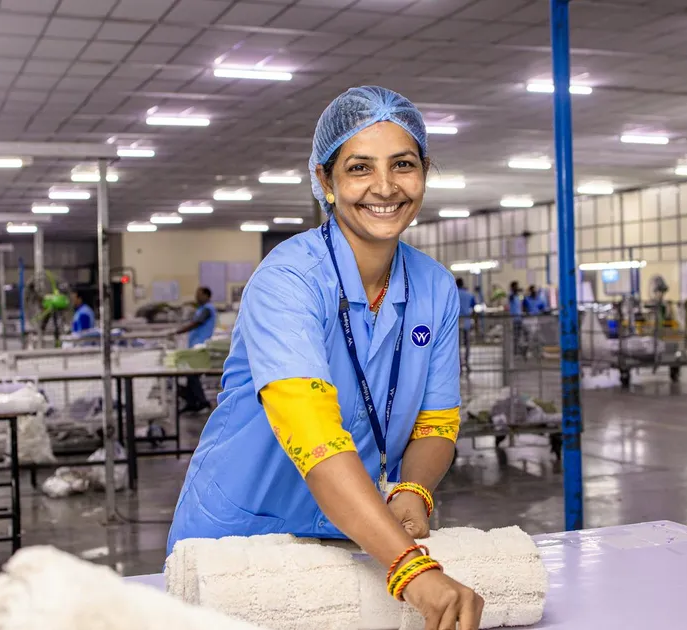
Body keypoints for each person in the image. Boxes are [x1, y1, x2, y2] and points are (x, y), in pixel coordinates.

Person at [168, 86, 483, 629]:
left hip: (355, 538)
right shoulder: (289, 280)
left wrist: (414, 489)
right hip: (240, 538)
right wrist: (411, 569)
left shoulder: (434, 287)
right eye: (360, 167)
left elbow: (436, 421)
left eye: (403, 164)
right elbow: (314, 437)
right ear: (325, 181)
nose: (385, 187)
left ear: (424, 172)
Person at [173, 286, 217, 414]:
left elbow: (196, 323)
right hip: (195, 345)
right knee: (190, 374)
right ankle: (192, 403)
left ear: (207, 296)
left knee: (193, 374)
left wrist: (177, 331)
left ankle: (203, 403)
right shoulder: (201, 309)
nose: (196, 297)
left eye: (199, 294)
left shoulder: (207, 309)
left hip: (200, 346)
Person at [455, 278, 477, 371]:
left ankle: (459, 364)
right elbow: (473, 307)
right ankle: (467, 363)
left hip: (456, 322)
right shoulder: (469, 295)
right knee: (467, 343)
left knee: (457, 345)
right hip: (467, 321)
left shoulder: (453, 294)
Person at [509, 281, 524, 356]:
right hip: (514, 319)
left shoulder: (518, 296)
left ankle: (517, 349)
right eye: (515, 286)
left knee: (519, 335)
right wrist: (516, 291)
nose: (517, 288)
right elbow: (512, 297)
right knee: (514, 335)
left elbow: (521, 302)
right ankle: (514, 350)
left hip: (519, 318)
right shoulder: (511, 295)